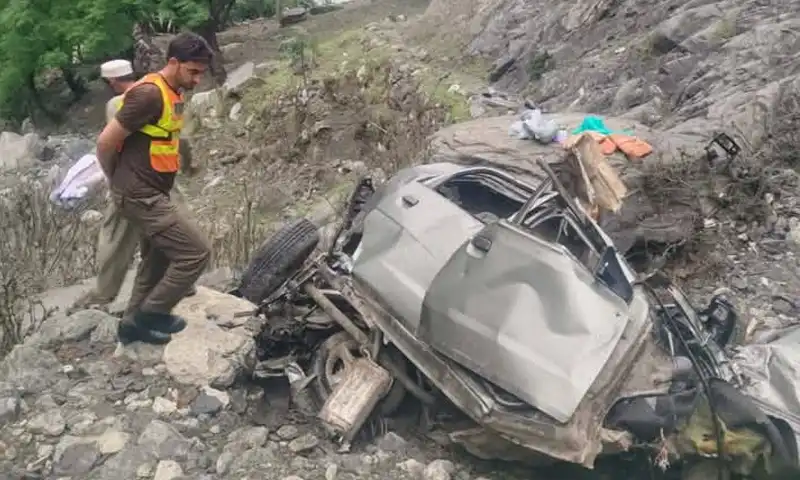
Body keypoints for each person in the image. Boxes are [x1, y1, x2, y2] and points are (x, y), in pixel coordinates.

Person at [95, 32, 213, 345]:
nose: (198, 80)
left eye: (201, 73)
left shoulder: (173, 92)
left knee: (158, 257)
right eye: (193, 71)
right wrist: (116, 180)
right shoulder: (148, 94)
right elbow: (105, 143)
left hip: (153, 191)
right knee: (196, 253)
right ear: (173, 62)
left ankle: (131, 325)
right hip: (139, 194)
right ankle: (151, 313)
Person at [70, 59, 198, 315]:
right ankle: (182, 283)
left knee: (115, 236)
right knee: (170, 227)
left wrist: (112, 177)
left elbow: (111, 143)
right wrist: (189, 164)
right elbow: (180, 137)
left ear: (111, 82)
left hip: (133, 181)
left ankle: (104, 293)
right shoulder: (166, 94)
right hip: (164, 175)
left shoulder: (118, 103)